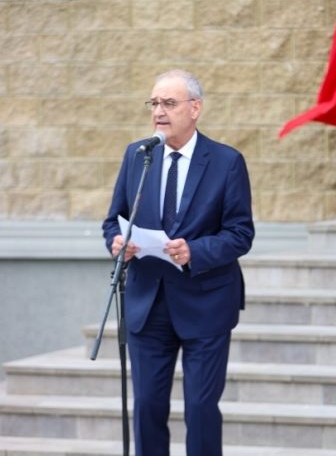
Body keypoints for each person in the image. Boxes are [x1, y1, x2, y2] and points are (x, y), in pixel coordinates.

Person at [102, 69, 254, 456]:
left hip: (206, 304)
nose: (159, 111)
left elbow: (241, 233)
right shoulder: (138, 156)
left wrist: (195, 251)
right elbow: (113, 220)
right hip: (148, 304)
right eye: (154, 103)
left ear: (195, 108)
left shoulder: (226, 161)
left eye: (169, 103)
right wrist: (118, 243)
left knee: (201, 411)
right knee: (147, 408)